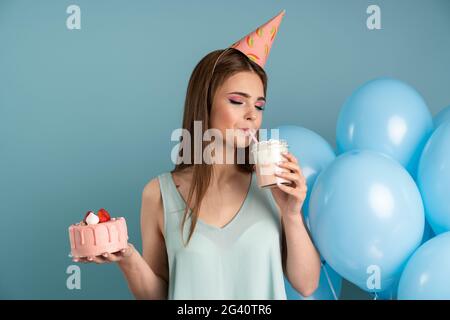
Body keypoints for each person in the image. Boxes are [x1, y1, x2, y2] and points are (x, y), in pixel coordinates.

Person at [74, 10, 321, 300]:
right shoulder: (158, 194)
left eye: (259, 105)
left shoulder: (274, 188)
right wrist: (127, 257)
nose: (252, 115)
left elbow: (307, 285)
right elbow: (159, 296)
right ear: (205, 103)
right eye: (237, 101)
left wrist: (291, 214)